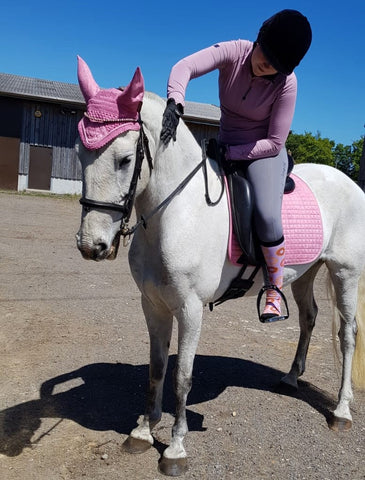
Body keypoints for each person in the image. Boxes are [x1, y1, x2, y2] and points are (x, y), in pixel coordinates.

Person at [160, 9, 312, 322]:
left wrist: (234, 153)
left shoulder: (287, 83)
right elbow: (184, 66)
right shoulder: (234, 52)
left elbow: (274, 141)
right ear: (259, 39)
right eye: (266, 54)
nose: (267, 65)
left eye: (276, 65)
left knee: (268, 215)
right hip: (225, 144)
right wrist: (176, 102)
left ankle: (273, 288)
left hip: (263, 154)